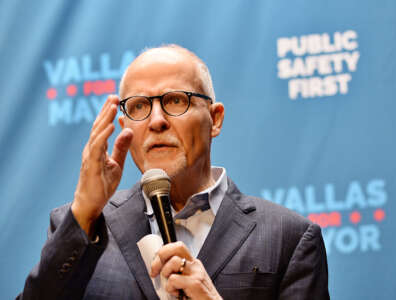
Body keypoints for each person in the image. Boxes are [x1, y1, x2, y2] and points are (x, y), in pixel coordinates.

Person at [17, 45, 330, 300]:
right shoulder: (83, 229)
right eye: (139, 106)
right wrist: (84, 211)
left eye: (175, 100)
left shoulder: (288, 237)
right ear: (125, 127)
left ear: (215, 119)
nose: (156, 121)